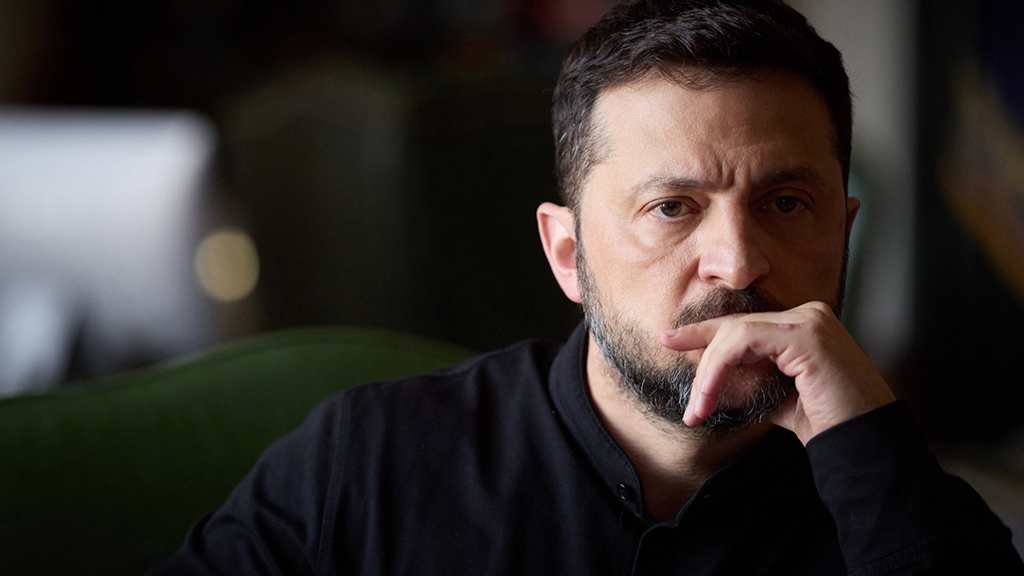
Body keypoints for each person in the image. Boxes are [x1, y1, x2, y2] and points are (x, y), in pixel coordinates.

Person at [152, 0, 1024, 574]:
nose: (737, 263)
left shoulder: (902, 515)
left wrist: (873, 452)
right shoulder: (368, 464)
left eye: (786, 203)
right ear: (567, 254)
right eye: (672, 207)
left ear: (843, 232)